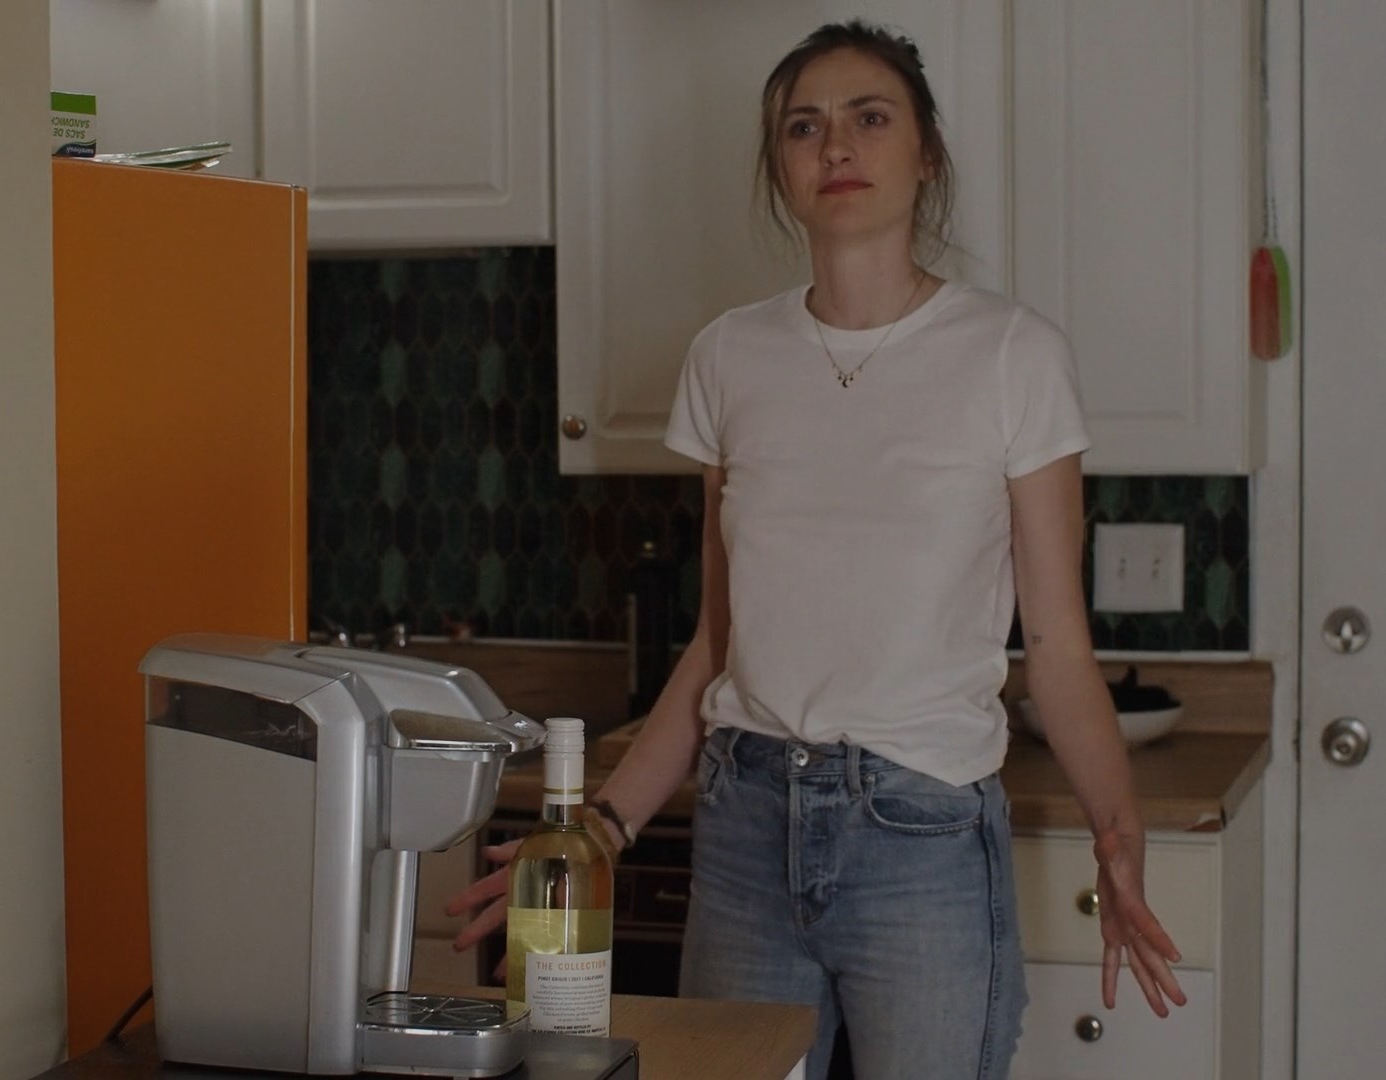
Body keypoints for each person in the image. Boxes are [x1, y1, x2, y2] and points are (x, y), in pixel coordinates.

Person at [447, 19, 1185, 1078]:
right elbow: (720, 642)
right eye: (804, 127)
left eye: (869, 118)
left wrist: (1118, 836)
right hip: (745, 824)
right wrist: (602, 825)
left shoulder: (1013, 356)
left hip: (922, 832)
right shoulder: (729, 357)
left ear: (925, 153)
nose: (836, 144)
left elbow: (1059, 650)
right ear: (781, 169)